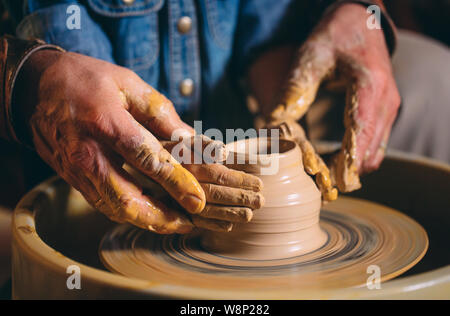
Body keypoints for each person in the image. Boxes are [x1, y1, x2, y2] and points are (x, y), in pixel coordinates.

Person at [0, 1, 401, 233]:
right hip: (83, 184)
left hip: (230, 150)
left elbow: (264, 34)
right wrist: (33, 79)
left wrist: (281, 110)